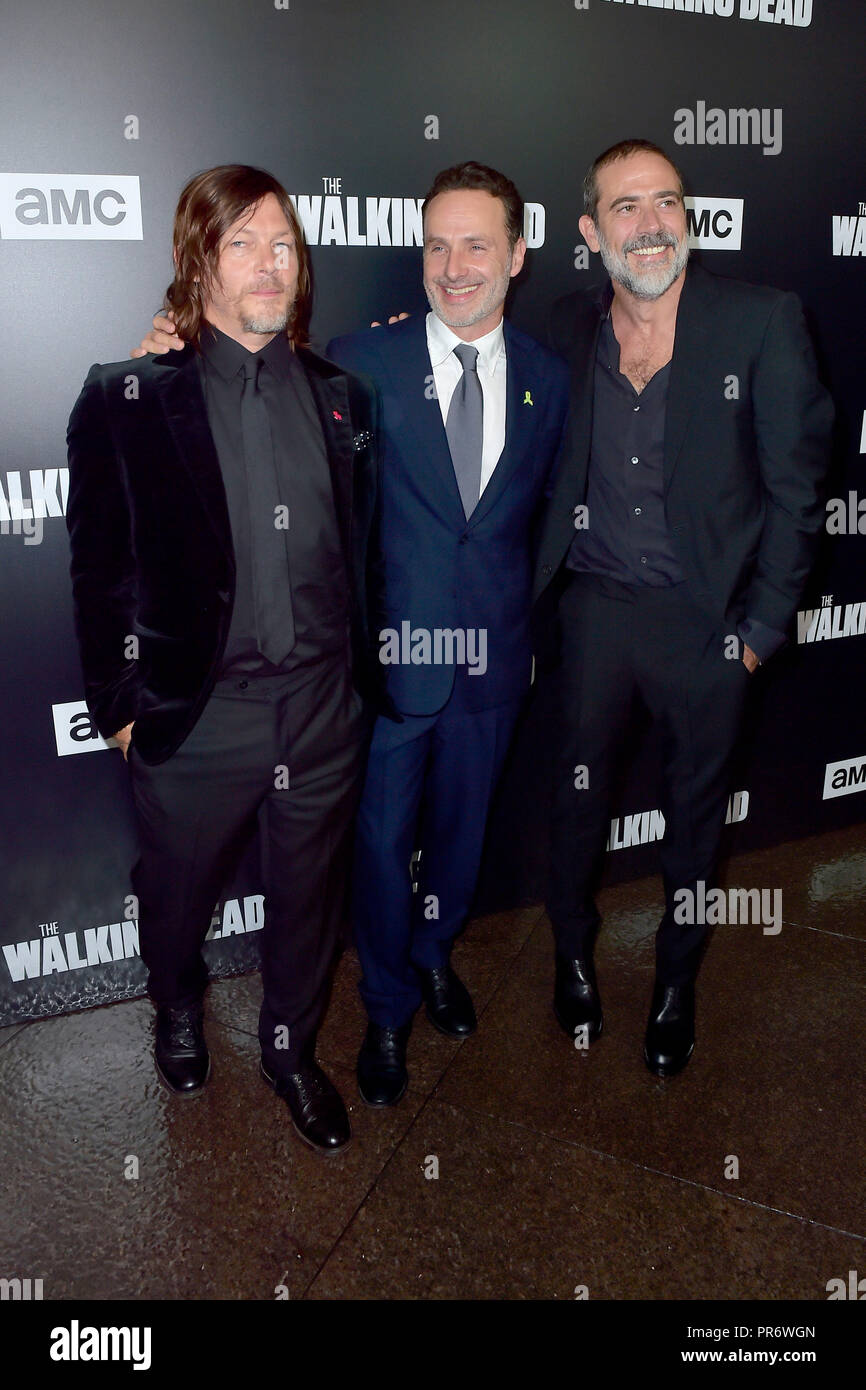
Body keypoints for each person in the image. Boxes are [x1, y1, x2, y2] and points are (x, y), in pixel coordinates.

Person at [67, 164, 385, 1153]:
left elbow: (362, 548)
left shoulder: (343, 395)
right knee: (175, 892)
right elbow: (100, 569)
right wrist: (123, 708)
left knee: (307, 901)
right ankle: (174, 999)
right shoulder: (127, 394)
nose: (266, 262)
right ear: (195, 261)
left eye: (281, 241)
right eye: (239, 241)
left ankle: (289, 1050)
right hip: (199, 718)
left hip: (323, 709)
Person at [533, 139, 833, 1076]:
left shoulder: (761, 323)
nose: (651, 223)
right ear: (591, 232)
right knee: (575, 810)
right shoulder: (559, 329)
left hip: (706, 628)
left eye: (666, 202)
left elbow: (797, 493)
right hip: (591, 618)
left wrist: (755, 634)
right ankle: (573, 956)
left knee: (695, 819)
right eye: (626, 207)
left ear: (688, 217)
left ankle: (674, 982)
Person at [325, 163, 569, 1105]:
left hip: (493, 663)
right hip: (394, 668)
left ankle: (434, 956)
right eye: (437, 245)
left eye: (476, 244)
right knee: (382, 843)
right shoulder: (362, 363)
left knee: (461, 838)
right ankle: (385, 1006)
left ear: (517, 252)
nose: (454, 265)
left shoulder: (550, 380)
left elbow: (547, 523)